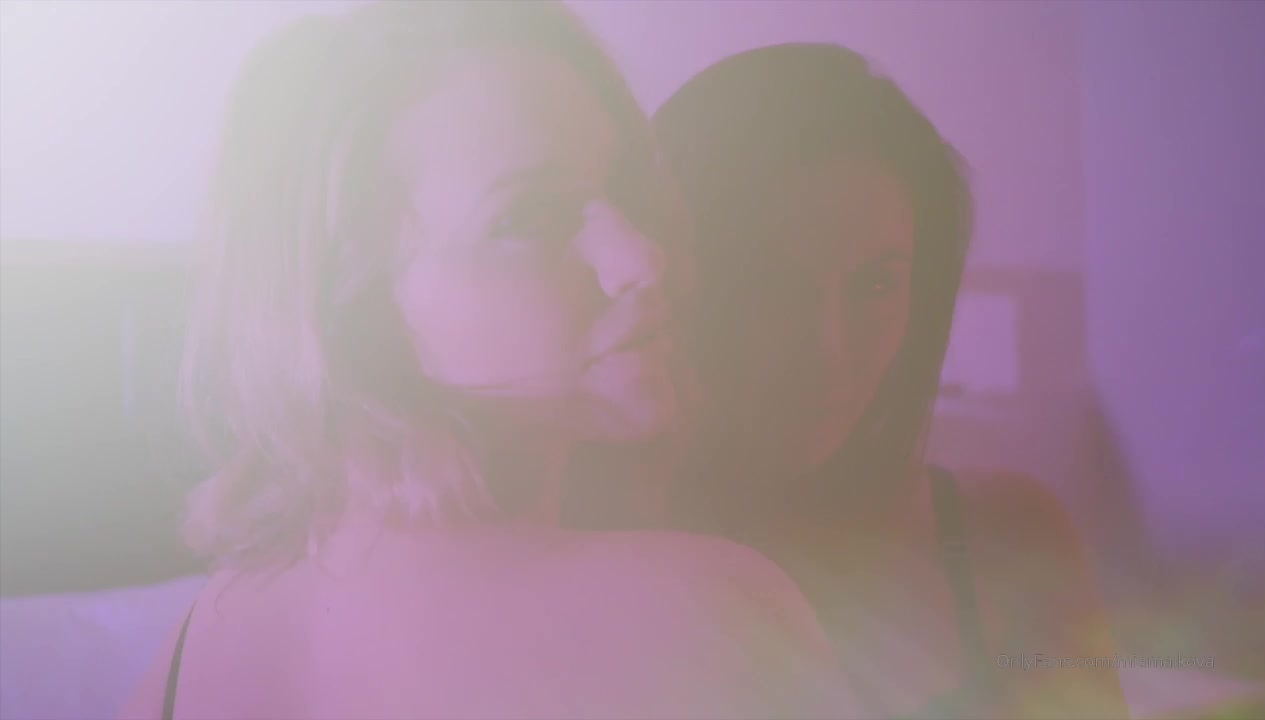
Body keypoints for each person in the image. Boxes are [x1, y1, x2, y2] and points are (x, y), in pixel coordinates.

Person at [120, 8, 857, 719]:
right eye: (529, 218)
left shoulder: (203, 633)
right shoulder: (706, 610)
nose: (641, 258)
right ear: (355, 308)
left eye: (623, 191)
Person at [650, 43, 1131, 719]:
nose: (830, 347)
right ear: (675, 279)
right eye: (773, 285)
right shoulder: (601, 557)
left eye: (876, 285)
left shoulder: (1010, 539)